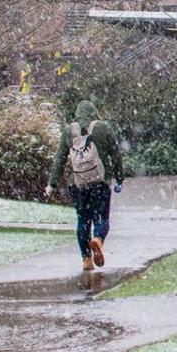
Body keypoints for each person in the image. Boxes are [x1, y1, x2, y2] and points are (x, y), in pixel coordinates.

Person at [46, 99, 125, 273]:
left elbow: (59, 159)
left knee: (83, 220)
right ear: (93, 112)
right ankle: (98, 239)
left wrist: (51, 184)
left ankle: (86, 258)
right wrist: (119, 178)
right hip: (100, 182)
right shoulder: (103, 128)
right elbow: (116, 154)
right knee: (101, 218)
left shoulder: (69, 131)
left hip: (78, 185)